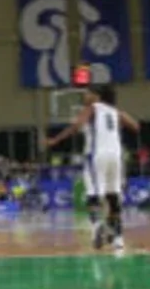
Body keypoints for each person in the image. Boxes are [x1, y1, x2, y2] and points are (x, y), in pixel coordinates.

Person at [45, 83, 140, 253]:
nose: (85, 96)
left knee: (93, 195)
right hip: (116, 156)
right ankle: (118, 239)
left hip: (97, 155)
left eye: (88, 93)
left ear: (97, 96)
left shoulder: (92, 108)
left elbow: (76, 126)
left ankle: (97, 225)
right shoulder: (114, 111)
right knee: (113, 197)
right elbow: (135, 126)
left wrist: (55, 140)